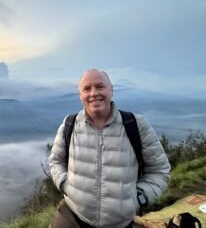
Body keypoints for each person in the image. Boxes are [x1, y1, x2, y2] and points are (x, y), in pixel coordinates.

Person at [48, 69, 171, 228]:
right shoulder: (69, 124)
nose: (93, 93)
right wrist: (65, 184)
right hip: (72, 216)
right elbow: (55, 161)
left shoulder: (136, 125)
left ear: (111, 90)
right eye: (87, 89)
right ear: (80, 95)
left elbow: (160, 170)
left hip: (120, 223)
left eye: (100, 87)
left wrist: (140, 198)